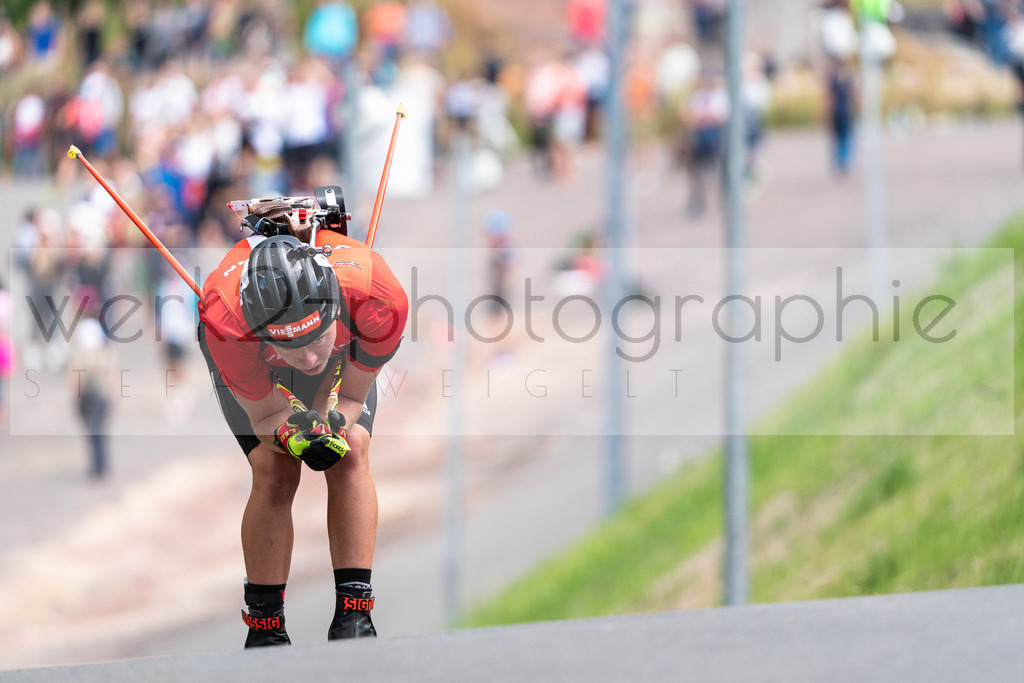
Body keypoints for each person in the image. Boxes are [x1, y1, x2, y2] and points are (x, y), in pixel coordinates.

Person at [198, 201, 408, 648]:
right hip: (257, 359)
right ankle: (265, 625)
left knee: (349, 447)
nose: (310, 359)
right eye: (295, 349)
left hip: (343, 341)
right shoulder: (226, 321)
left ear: (335, 309)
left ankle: (355, 615)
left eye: (316, 339)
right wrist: (294, 437)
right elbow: (266, 417)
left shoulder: (378, 299)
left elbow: (350, 396)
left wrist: (330, 424)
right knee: (275, 471)